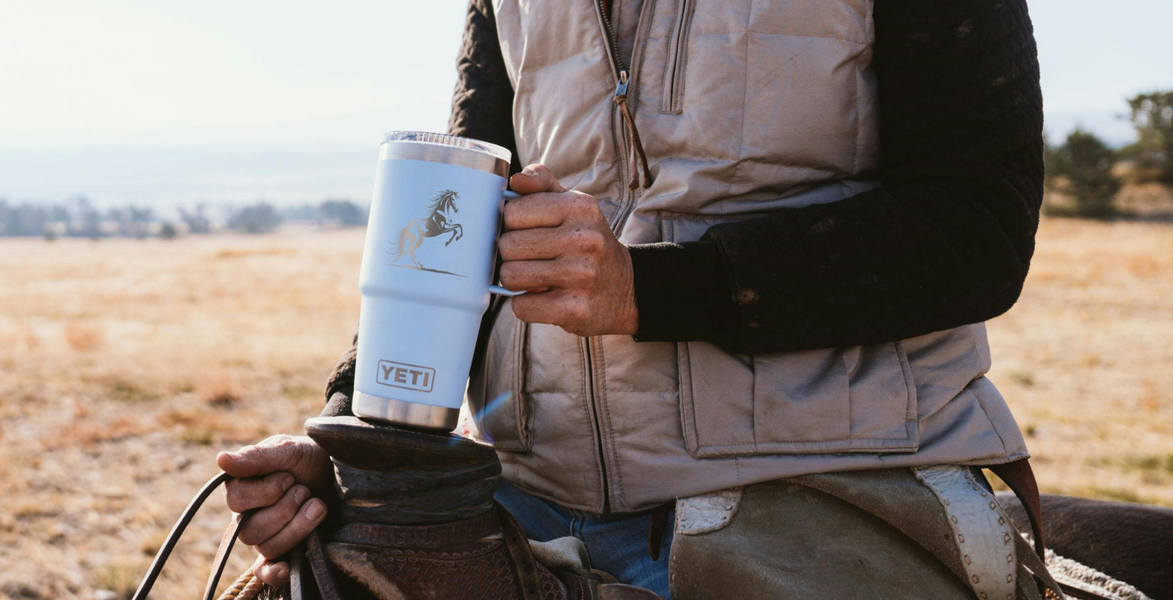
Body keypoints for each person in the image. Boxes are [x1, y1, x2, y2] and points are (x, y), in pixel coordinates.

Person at [218, 0, 1046, 597]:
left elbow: (980, 231)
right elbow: (456, 222)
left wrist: (653, 290)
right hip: (521, 498)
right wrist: (361, 436)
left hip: (820, 500)